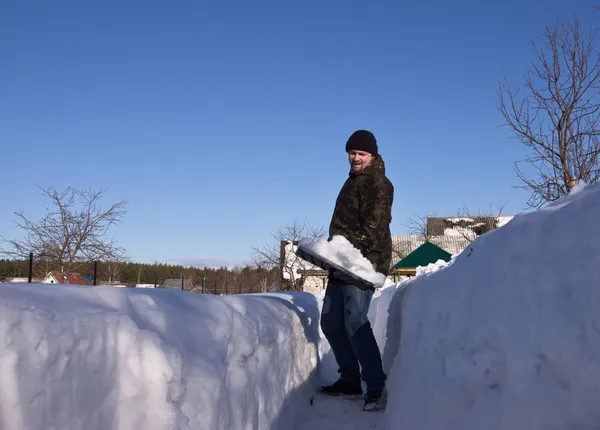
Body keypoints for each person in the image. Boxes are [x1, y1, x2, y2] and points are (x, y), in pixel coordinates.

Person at [319, 129, 394, 412]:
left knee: (354, 320)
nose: (355, 158)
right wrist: (331, 252)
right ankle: (350, 379)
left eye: (361, 153)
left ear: (372, 156)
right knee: (330, 321)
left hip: (364, 263)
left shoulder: (379, 184)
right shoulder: (350, 182)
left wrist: (349, 252)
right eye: (352, 153)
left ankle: (376, 385)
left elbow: (375, 226)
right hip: (342, 262)